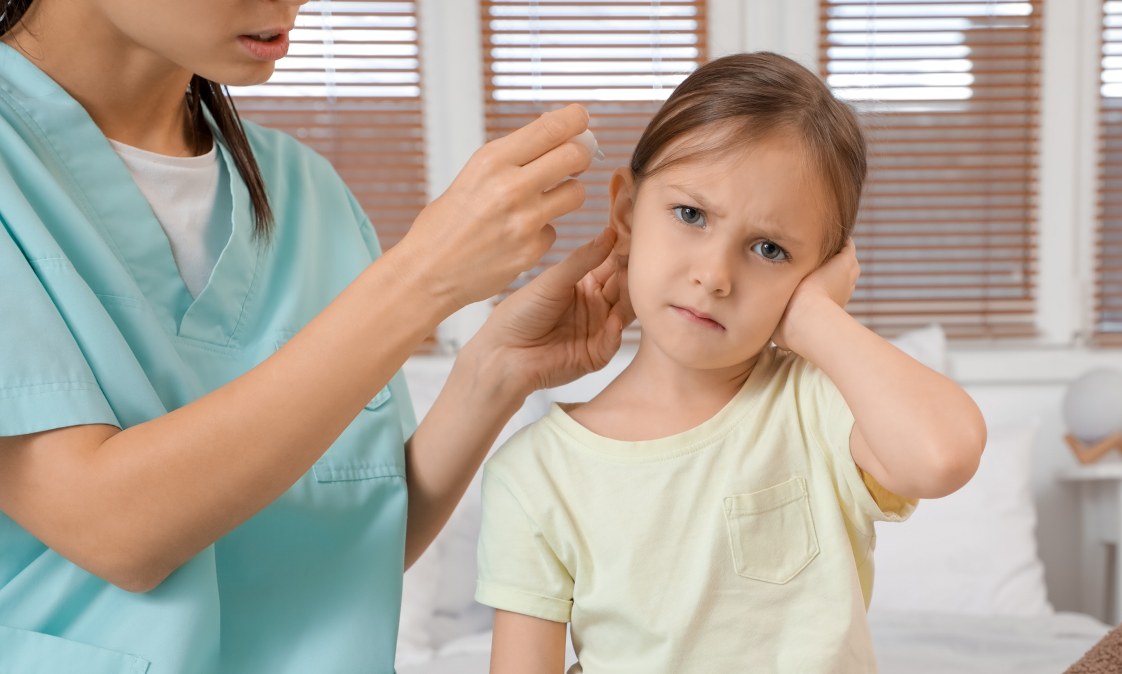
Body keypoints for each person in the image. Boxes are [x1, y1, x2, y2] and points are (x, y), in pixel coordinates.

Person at [0, 1, 630, 672]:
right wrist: (422, 280)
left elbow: (351, 538)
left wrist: (497, 368)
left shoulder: (304, 189)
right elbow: (116, 530)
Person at [475, 52, 989, 673]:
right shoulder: (537, 475)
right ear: (626, 214)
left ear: (816, 276)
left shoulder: (817, 408)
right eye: (690, 215)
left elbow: (942, 455)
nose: (715, 275)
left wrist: (814, 319)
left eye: (769, 249)